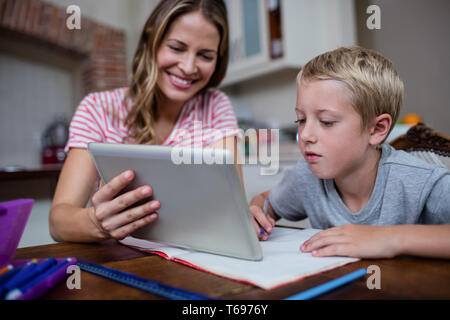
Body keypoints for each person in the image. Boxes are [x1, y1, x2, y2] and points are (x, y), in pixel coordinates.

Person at [50, 0, 242, 243]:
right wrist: (96, 223)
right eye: (176, 47)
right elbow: (58, 221)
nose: (188, 66)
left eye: (205, 55)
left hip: (191, 262)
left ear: (218, 61)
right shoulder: (97, 109)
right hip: (117, 261)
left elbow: (231, 211)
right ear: (152, 41)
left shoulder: (215, 106)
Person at [250, 46, 450, 259]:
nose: (305, 134)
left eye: (326, 122)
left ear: (377, 129)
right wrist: (255, 209)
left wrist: (388, 238)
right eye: (301, 120)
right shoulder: (306, 176)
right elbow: (267, 201)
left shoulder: (419, 181)